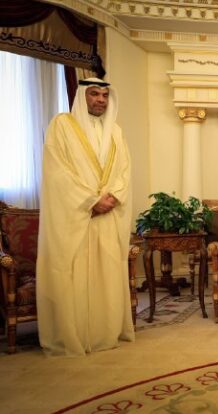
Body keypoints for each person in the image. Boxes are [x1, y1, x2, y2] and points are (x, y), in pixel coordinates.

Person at [36, 78, 134, 356]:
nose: (101, 99)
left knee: (107, 274)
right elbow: (57, 172)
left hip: (108, 216)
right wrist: (90, 201)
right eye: (94, 94)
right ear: (82, 96)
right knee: (75, 274)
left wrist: (113, 197)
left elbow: (125, 171)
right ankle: (76, 335)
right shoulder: (62, 126)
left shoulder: (115, 131)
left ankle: (105, 332)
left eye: (104, 95)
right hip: (77, 216)